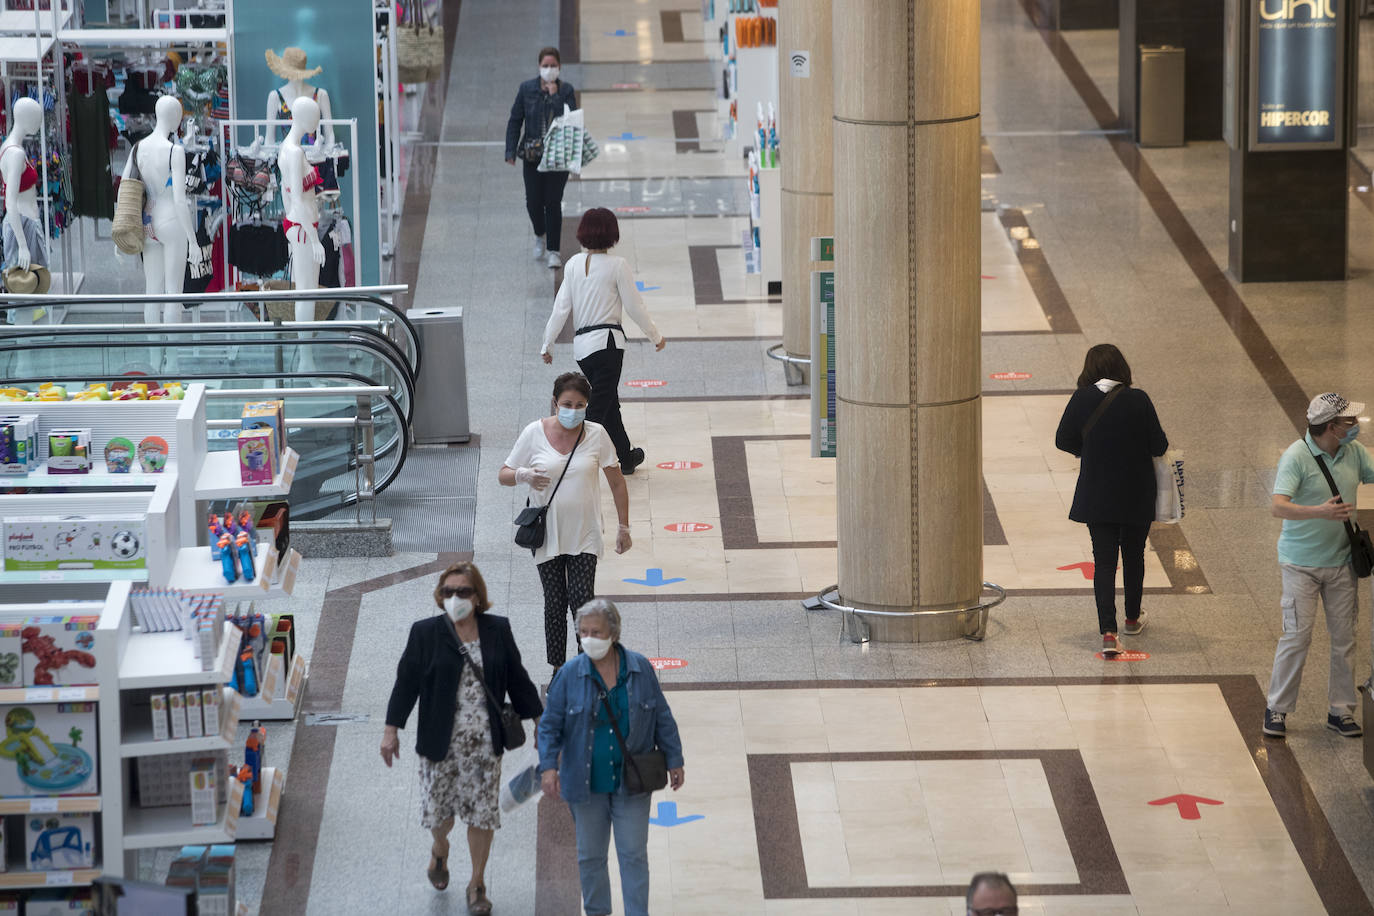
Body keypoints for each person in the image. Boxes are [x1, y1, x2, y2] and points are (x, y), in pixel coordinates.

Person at [381, 561, 543, 915]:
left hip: (485, 745)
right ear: (440, 597)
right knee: (440, 816)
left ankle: (477, 883)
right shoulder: (424, 633)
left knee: (481, 815)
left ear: (478, 597)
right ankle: (440, 849)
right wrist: (391, 729)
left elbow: (517, 676)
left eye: (463, 591)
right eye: (448, 592)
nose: (455, 598)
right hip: (439, 743)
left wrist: (539, 720)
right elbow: (406, 683)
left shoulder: (497, 630)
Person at [537, 599, 685, 916]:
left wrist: (675, 758)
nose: (588, 638)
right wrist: (549, 767)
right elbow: (549, 726)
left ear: (613, 633)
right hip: (585, 784)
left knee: (633, 854)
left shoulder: (640, 668)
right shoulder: (569, 675)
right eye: (584, 632)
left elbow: (661, 715)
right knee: (590, 857)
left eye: (596, 631)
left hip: (631, 782)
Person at [500, 372, 632, 672]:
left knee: (583, 602)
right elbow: (503, 474)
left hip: (585, 533)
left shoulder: (597, 434)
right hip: (548, 534)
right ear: (554, 403)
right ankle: (559, 669)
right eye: (567, 404)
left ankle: (586, 664)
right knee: (555, 603)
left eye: (580, 405)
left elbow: (617, 483)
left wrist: (624, 527)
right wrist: (524, 475)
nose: (573, 410)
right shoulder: (534, 433)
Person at [1262, 392, 1374, 739]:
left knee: (1344, 638)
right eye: (1348, 422)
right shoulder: (1296, 457)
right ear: (1330, 427)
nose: (1355, 427)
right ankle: (1277, 708)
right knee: (1297, 636)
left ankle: (1340, 711)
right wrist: (1320, 512)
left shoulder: (1354, 452)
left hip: (1342, 562)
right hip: (1300, 565)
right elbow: (1278, 506)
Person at [1054, 344, 1168, 658]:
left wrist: (1088, 449)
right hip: (1136, 492)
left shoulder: (1082, 398)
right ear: (1122, 368)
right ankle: (1132, 618)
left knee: (1104, 562)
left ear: (1090, 369)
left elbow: (1062, 439)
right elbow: (1159, 444)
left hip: (1097, 492)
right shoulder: (1138, 399)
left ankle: (1108, 631)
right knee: (1134, 555)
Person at [541, 208, 667, 475]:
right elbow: (635, 306)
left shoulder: (573, 264)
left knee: (609, 402)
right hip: (609, 345)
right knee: (598, 407)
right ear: (612, 234)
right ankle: (572, 461)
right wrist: (655, 335)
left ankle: (626, 456)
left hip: (584, 348)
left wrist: (548, 344)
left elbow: (560, 308)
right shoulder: (617, 265)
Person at [505, 46, 577, 269]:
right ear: (539, 67)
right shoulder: (526, 89)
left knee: (553, 202)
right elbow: (515, 120)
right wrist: (510, 150)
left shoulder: (566, 91)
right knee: (533, 201)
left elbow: (570, 119)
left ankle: (554, 250)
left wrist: (554, 97)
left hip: (559, 157)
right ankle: (540, 233)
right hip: (533, 155)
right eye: (545, 66)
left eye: (553, 66)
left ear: (559, 67)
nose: (549, 70)